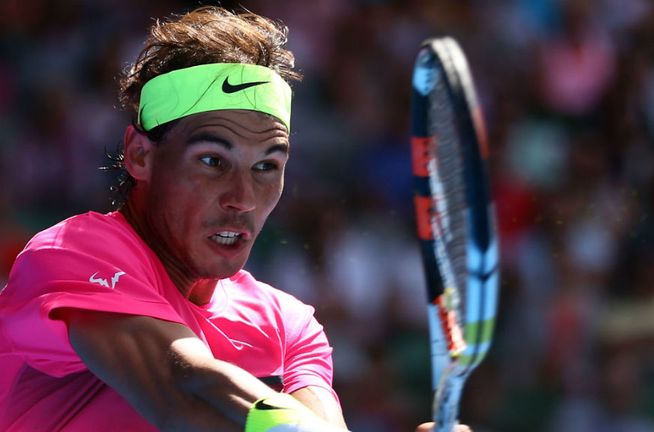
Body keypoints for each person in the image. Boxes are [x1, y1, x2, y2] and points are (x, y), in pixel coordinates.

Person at [0, 6, 469, 432]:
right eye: (212, 161)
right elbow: (185, 390)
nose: (243, 198)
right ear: (140, 155)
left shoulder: (289, 326)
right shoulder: (73, 253)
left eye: (266, 166)